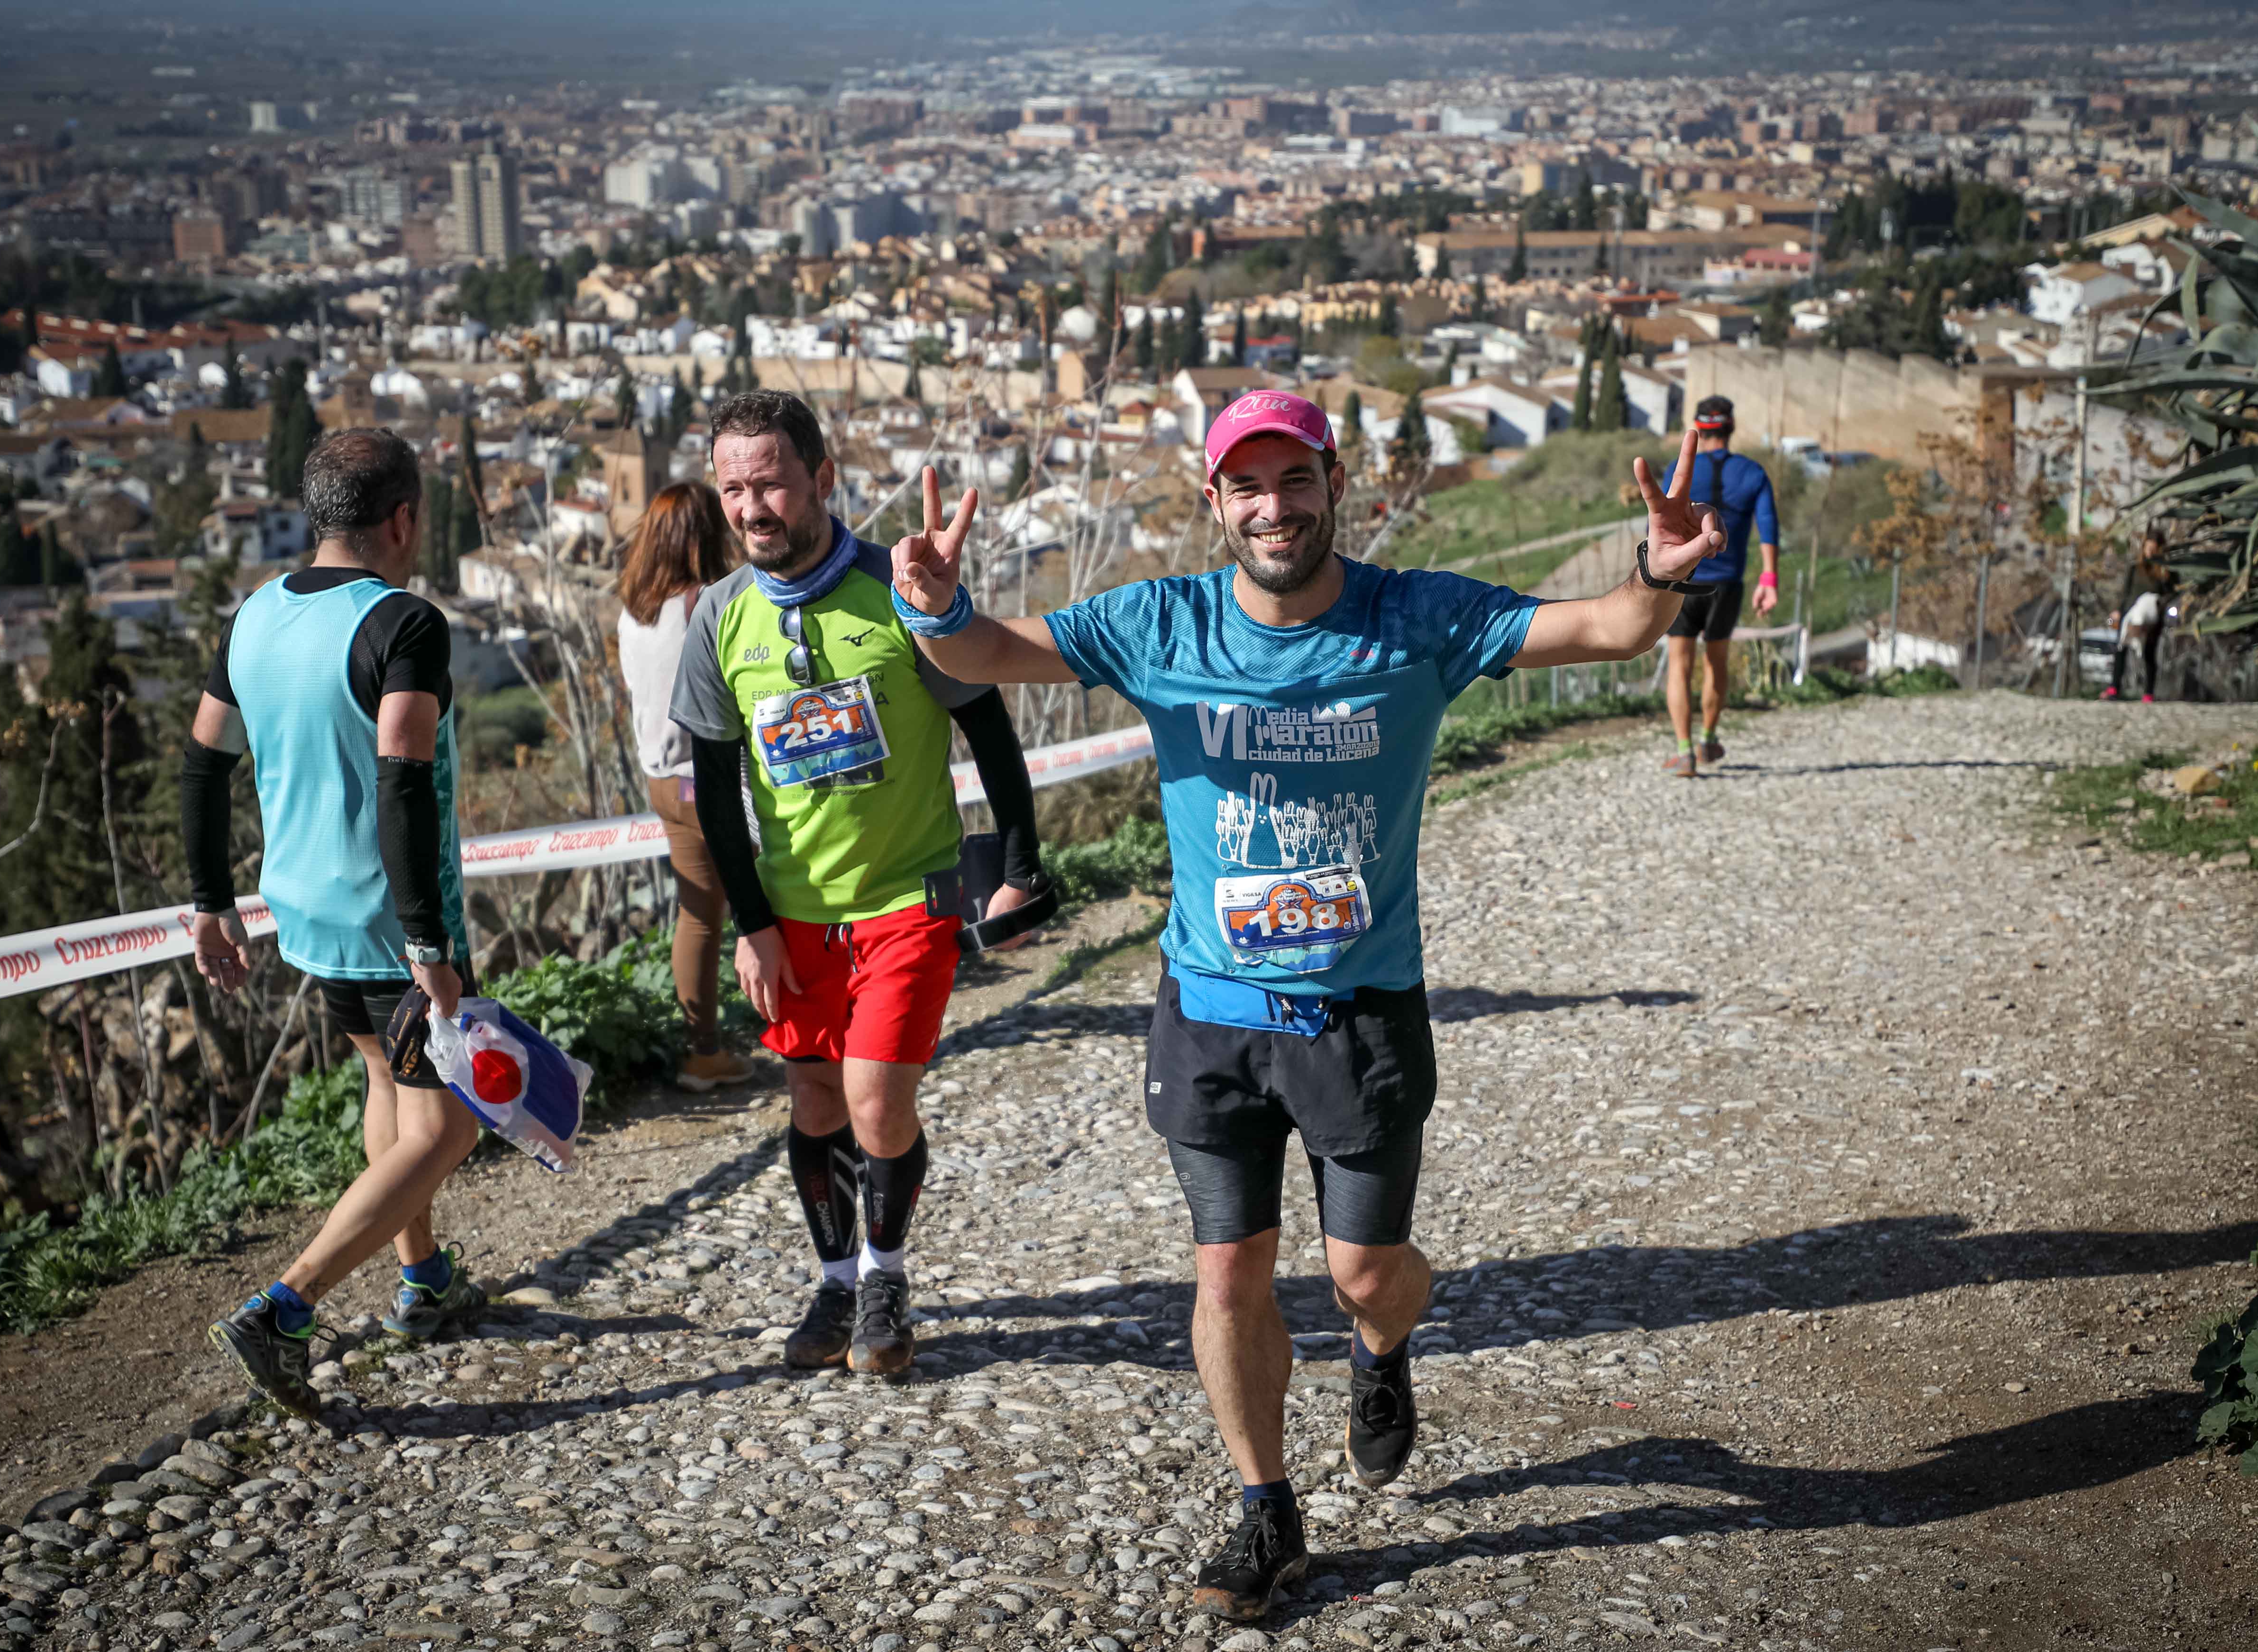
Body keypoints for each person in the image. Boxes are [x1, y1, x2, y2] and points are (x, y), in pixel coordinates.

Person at [889, 390, 1724, 1622]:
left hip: (1360, 1010)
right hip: (1212, 1008)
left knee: (1364, 1273)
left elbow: (1608, 626)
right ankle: (1264, 1504)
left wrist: (1657, 568)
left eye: (1295, 480)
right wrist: (932, 605)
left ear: (1336, 484)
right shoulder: (1162, 621)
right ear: (1216, 501)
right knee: (1228, 1271)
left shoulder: (1416, 618)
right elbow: (985, 656)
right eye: (1248, 485)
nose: (1273, 507)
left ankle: (1383, 1347)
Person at [667, 389, 1043, 1377]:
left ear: (823, 479)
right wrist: (753, 925)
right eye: (733, 489)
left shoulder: (898, 587)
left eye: (771, 484)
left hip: (907, 895)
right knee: (814, 1100)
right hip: (794, 913)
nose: (752, 508)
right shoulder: (719, 616)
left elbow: (989, 730)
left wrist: (1021, 866)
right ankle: (835, 1282)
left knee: (876, 1098)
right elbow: (715, 794)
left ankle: (885, 1275)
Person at [183, 429, 485, 1416]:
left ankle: (424, 1277)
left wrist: (211, 900)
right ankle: (286, 1305)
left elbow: (203, 763)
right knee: (446, 1126)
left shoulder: (255, 615)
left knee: (384, 1082)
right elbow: (402, 781)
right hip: (393, 916)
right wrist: (429, 943)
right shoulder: (404, 622)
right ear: (403, 518)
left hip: (304, 909)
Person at [617, 479, 754, 1090]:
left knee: (697, 915)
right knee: (780, 894)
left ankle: (702, 1051)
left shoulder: (634, 610)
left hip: (663, 781)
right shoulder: (708, 604)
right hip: (714, 782)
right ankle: (810, 1032)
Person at [1658, 394, 1779, 776]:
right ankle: (1708, 740)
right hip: (1726, 585)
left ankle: (1684, 752)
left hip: (1682, 580)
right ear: (1731, 427)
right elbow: (1769, 526)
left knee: (1679, 665)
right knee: (1717, 661)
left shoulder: (1678, 470)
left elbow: (1658, 526)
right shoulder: (1753, 473)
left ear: (1698, 427)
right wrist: (1769, 578)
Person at [2106, 530, 2176, 703]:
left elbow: (2172, 593)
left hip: (2152, 617)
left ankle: (2149, 693)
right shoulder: (2135, 568)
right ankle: (2114, 689)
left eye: (2154, 548)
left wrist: (2160, 604)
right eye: (2148, 547)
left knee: (2149, 653)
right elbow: (2125, 593)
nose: (2150, 551)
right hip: (2130, 614)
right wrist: (2118, 611)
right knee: (2121, 648)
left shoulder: (2166, 572)